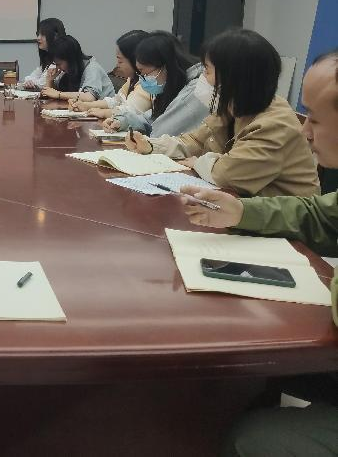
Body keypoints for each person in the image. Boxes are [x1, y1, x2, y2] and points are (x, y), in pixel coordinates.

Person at [176, 49, 338, 457]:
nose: (305, 131)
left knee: (253, 437)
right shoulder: (230, 111)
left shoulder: (272, 121)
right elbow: (321, 215)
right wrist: (242, 212)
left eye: (315, 119)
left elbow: (224, 169)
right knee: (226, 385)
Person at [126, 29, 320, 198]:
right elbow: (194, 141)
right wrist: (152, 146)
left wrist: (199, 162)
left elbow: (228, 175)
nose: (202, 78)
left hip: (283, 224)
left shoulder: (274, 124)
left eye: (207, 71)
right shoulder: (231, 108)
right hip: (241, 206)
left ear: (234, 78)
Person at [103, 31, 208, 137]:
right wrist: (121, 121)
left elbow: (160, 132)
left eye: (144, 73)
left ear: (164, 66)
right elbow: (152, 119)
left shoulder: (194, 91)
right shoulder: (174, 86)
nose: (142, 78)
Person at [71, 30, 151, 119]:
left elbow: (130, 112)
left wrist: (104, 113)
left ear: (135, 60)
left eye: (120, 61)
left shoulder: (147, 85)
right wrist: (86, 105)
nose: (117, 65)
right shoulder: (132, 80)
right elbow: (116, 101)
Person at [40, 34, 115, 101]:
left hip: (104, 111)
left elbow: (89, 97)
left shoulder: (92, 69)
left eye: (59, 64)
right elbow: (50, 94)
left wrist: (59, 94)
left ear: (70, 59)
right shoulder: (68, 71)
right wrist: (49, 80)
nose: (58, 68)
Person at [22, 17, 66, 90]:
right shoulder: (48, 58)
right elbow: (29, 78)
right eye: (38, 34)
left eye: (42, 34)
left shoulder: (60, 59)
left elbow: (42, 84)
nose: (38, 38)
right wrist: (29, 81)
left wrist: (31, 82)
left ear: (55, 36)